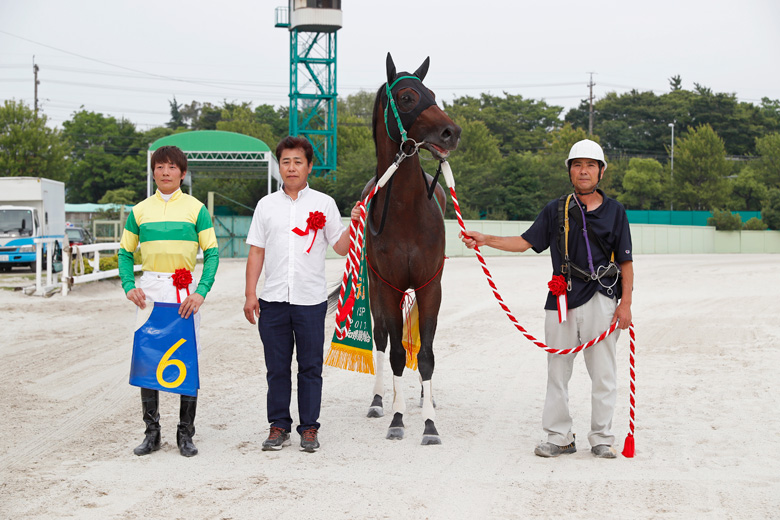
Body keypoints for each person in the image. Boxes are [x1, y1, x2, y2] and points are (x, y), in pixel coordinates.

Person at [461, 139, 633, 459]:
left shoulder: (616, 212)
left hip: (602, 298)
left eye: (591, 165)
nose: (584, 171)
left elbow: (626, 262)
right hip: (562, 298)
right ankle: (559, 436)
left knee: (603, 373)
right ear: (570, 171)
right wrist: (485, 239)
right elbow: (525, 242)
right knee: (557, 371)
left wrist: (625, 305)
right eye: (578, 165)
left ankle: (601, 437)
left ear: (601, 171)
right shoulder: (555, 210)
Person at [243, 136, 359, 453]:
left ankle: (309, 428)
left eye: (298, 161)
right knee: (277, 368)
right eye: (286, 161)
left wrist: (355, 223)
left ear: (309, 166)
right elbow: (256, 252)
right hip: (273, 300)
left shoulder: (324, 204)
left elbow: (341, 247)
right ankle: (279, 426)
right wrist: (250, 293)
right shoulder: (266, 205)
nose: (291, 167)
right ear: (279, 166)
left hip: (310, 301)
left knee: (310, 368)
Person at [118, 145, 219, 457]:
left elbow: (212, 253)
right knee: (147, 357)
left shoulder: (196, 209)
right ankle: (152, 433)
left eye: (172, 167)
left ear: (182, 173)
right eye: (160, 167)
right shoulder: (139, 211)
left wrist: (201, 291)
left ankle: (185, 433)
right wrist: (129, 285)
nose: (165, 172)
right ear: (153, 172)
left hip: (184, 291)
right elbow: (124, 253)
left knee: (187, 358)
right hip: (150, 290)